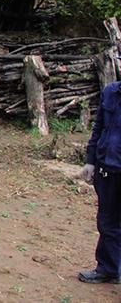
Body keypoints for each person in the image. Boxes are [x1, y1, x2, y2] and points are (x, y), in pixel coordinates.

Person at [77, 80, 121, 284]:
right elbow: (99, 127)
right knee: (107, 222)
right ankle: (108, 269)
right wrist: (91, 161)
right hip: (108, 169)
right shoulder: (111, 91)